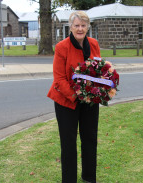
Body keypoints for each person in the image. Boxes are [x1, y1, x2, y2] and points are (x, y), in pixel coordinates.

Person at [47, 11, 100, 183]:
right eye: (76, 25)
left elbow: (99, 70)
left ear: (88, 27)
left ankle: (89, 178)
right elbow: (59, 79)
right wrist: (77, 95)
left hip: (90, 101)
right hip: (66, 101)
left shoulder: (93, 44)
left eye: (83, 25)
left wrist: (101, 88)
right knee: (69, 144)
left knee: (90, 139)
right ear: (70, 27)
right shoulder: (62, 47)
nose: (80, 28)